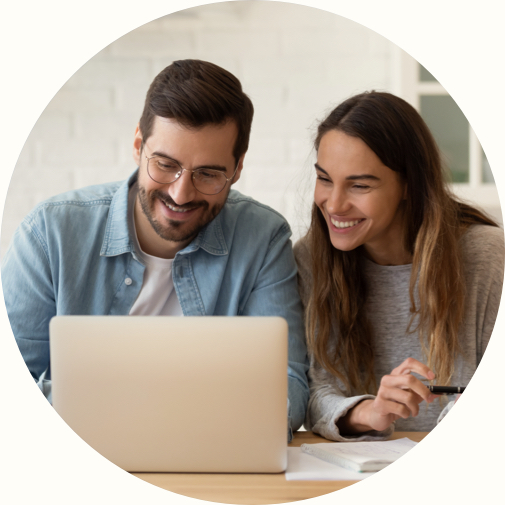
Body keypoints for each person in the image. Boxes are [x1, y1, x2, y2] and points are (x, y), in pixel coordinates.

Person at [2, 59, 309, 440]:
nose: (181, 193)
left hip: (213, 464)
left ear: (238, 167)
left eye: (208, 174)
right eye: (165, 165)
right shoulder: (49, 234)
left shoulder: (262, 238)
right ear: (137, 146)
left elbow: (288, 383)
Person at [294, 91, 504, 441]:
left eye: (359, 185)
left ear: (409, 185)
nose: (334, 204)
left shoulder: (486, 257)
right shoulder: (310, 259)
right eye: (325, 179)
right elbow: (315, 394)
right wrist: (370, 412)